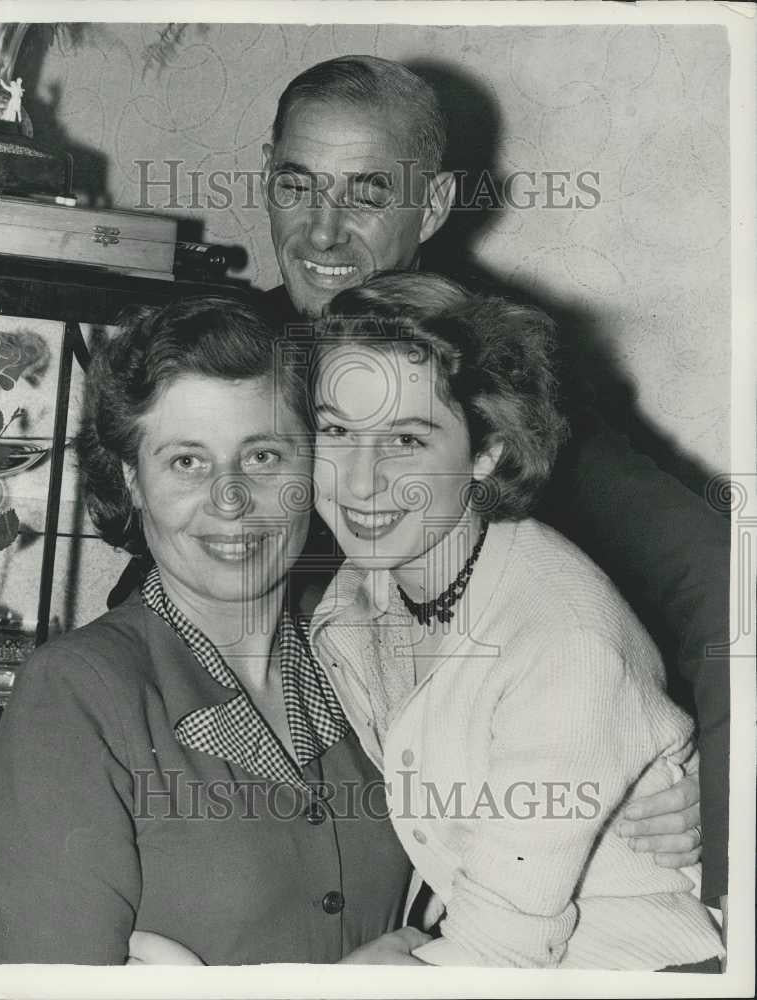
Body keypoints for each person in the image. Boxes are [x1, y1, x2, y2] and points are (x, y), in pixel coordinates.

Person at [107, 55, 725, 912]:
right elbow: (143, 596)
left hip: (431, 826)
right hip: (245, 787)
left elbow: (719, 581)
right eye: (297, 186)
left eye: (364, 194)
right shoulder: (230, 353)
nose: (321, 235)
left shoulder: (484, 367)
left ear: (431, 206)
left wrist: (722, 790)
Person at [0, 293, 429, 965]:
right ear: (132, 479)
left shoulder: (373, 652)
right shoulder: (79, 695)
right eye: (186, 461)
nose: (230, 500)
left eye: (263, 457)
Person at [306, 271, 724, 969]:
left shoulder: (561, 640)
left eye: (406, 440)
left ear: (487, 451)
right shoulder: (361, 592)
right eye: (336, 431)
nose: (357, 480)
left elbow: (501, 951)